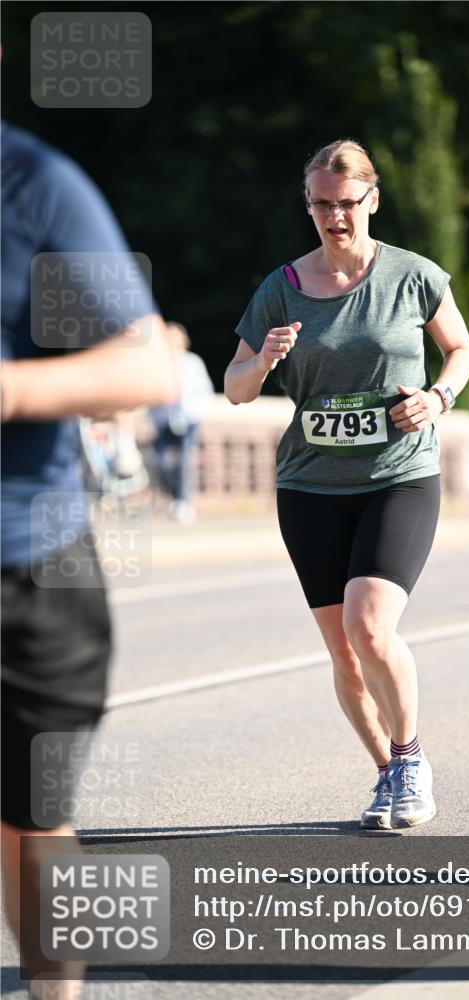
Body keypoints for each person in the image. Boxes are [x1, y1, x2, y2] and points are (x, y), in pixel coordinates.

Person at [224, 139, 469, 830]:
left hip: (399, 476)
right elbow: (235, 388)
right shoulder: (280, 288)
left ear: (371, 199)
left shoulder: (413, 275)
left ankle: (411, 757)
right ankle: (387, 777)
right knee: (342, 650)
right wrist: (265, 360)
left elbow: (460, 348)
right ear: (307, 205)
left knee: (369, 623)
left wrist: (439, 397)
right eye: (320, 204)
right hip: (309, 486)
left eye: (345, 202)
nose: (334, 216)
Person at [1, 120, 178, 998]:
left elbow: (148, 367)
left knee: (30, 820)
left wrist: (10, 389)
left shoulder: (32, 183)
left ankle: (52, 990)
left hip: (27, 563)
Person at [150, 322, 214, 525]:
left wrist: (194, 411)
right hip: (164, 420)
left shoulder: (192, 362)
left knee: (185, 462)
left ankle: (184, 502)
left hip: (188, 420)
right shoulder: (158, 364)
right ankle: (173, 497)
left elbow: (204, 391)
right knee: (161, 462)